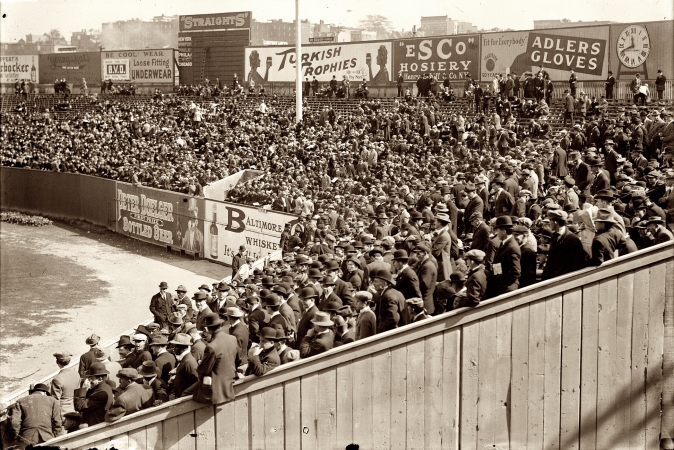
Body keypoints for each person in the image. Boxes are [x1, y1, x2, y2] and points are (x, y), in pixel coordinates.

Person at [190, 313, 239, 404]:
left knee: (187, 392)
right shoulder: (233, 338)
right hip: (230, 383)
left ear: (208, 328)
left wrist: (201, 363)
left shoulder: (211, 347)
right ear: (220, 325)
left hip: (217, 391)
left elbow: (203, 371)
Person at [9, 383, 64, 448]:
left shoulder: (20, 401)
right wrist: (58, 438)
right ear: (45, 393)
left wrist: (16, 437)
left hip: (26, 439)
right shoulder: (53, 401)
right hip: (47, 438)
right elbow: (57, 421)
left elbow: (15, 423)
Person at [484, 216, 521, 299]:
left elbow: (516, 272)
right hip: (501, 285)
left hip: (507, 289)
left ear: (504, 231)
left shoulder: (512, 247)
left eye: (498, 230)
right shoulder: (504, 243)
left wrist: (501, 282)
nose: (496, 233)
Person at [74, 362, 114, 427]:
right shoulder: (105, 387)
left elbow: (79, 406)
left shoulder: (100, 393)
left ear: (100, 379)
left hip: (95, 426)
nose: (89, 381)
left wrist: (83, 388)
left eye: (91, 378)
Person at [50, 351, 80, 420]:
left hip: (63, 413)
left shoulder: (57, 379)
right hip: (75, 409)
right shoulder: (76, 374)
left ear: (57, 362)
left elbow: (55, 400)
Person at [168, 333, 199, 398]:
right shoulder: (185, 360)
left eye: (176, 346)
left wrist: (185, 395)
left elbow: (195, 383)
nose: (173, 349)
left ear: (183, 347)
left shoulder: (189, 362)